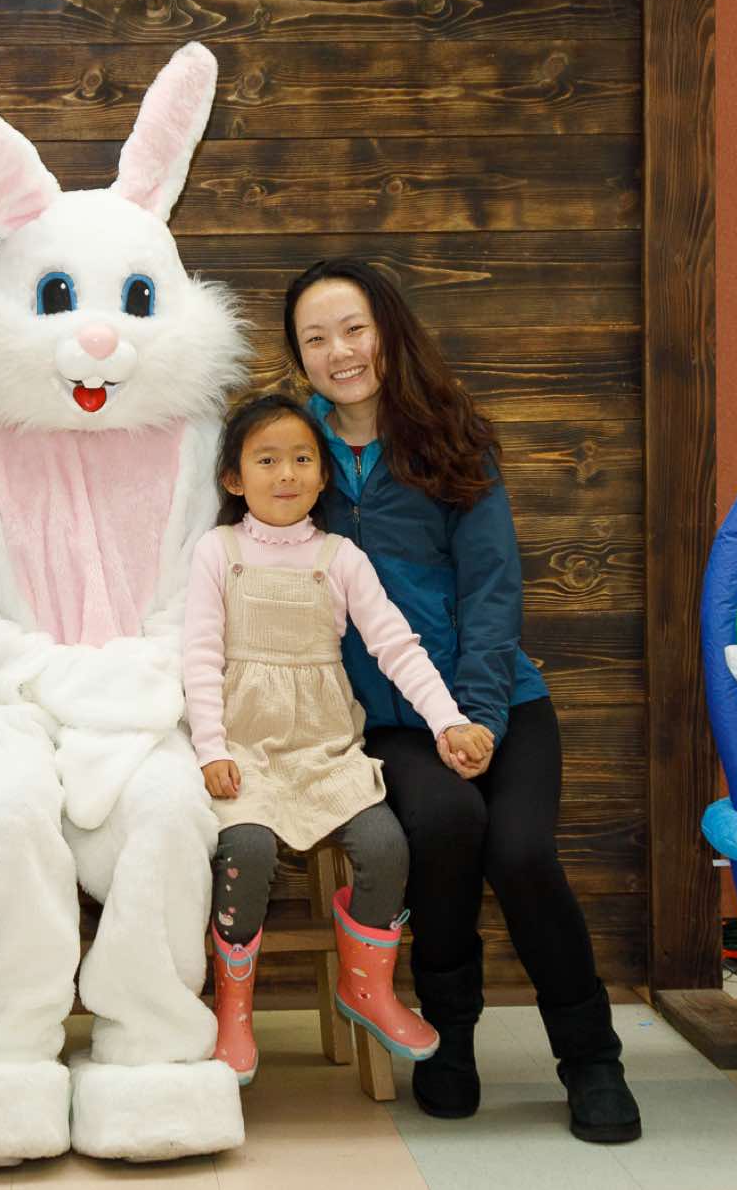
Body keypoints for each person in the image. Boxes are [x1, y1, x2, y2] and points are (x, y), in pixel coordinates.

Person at [280, 259, 641, 1142]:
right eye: (316, 338)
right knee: (444, 825)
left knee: (520, 852)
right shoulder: (293, 453)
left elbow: (491, 587)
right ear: (298, 356)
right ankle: (452, 1038)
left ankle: (591, 1058)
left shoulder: (450, 439)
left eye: (354, 329)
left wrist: (475, 716)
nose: (340, 352)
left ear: (388, 330)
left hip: (498, 700)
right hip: (390, 719)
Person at [183, 393, 496, 1086]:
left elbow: (397, 646)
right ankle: (233, 1006)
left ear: (323, 475)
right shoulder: (218, 551)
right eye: (267, 460)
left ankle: (367, 987)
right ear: (234, 477)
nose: (286, 473)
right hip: (246, 753)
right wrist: (212, 749)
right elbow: (199, 657)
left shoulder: (340, 557)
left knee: (385, 845)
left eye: (302, 458)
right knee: (246, 850)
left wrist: (448, 720)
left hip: (327, 751)